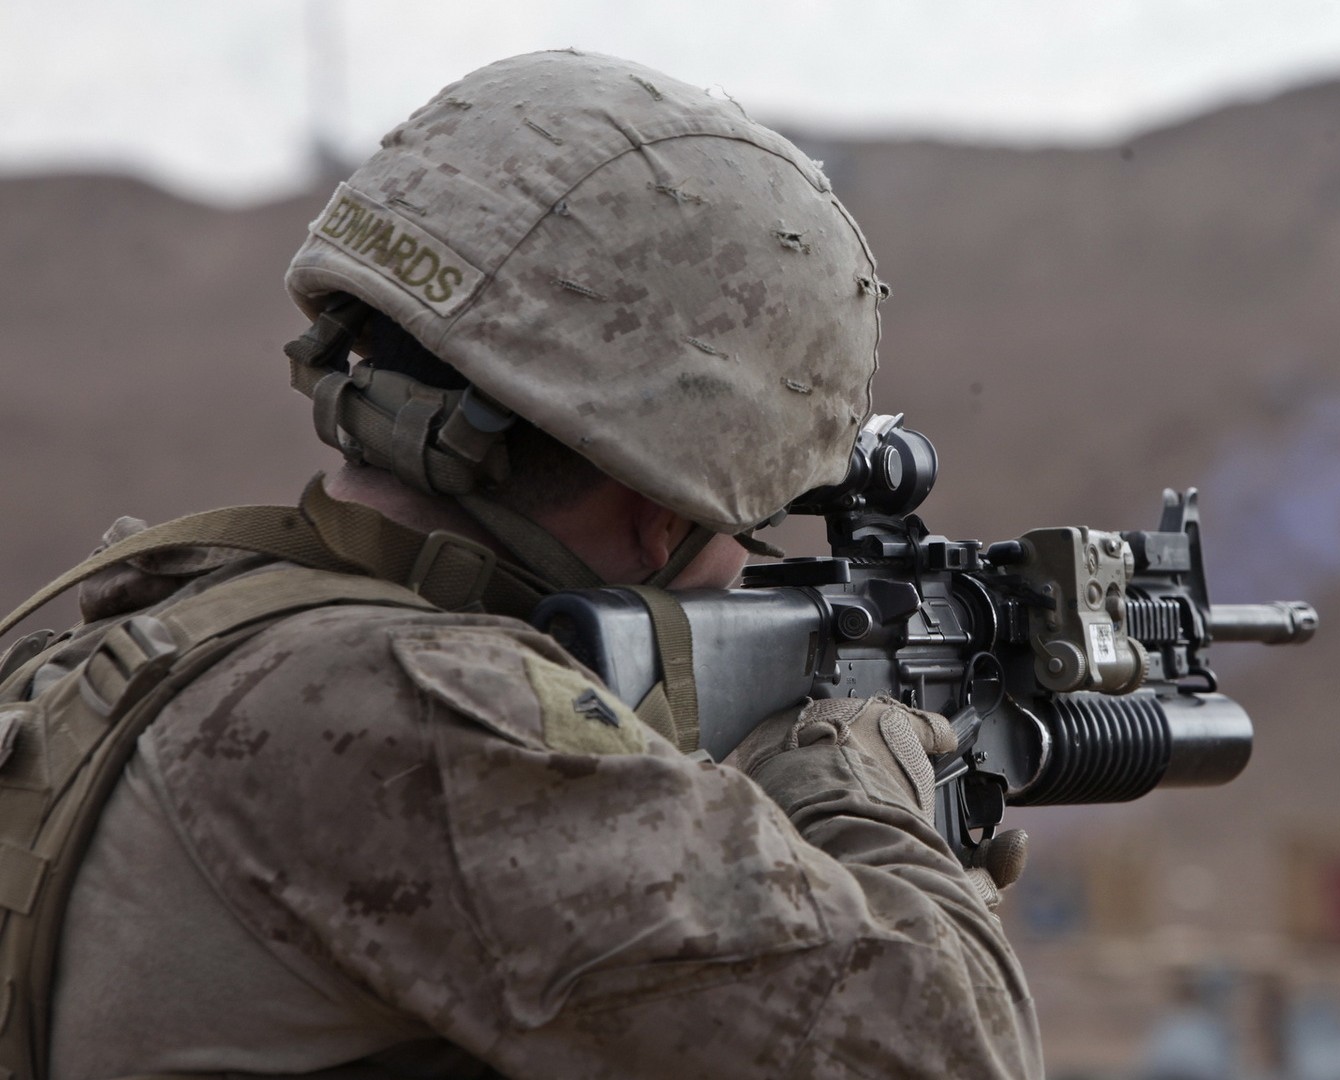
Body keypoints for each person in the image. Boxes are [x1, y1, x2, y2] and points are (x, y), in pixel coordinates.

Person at [0, 50, 1040, 1079]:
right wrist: (853, 788)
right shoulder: (417, 711)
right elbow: (954, 1054)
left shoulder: (177, 626)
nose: (746, 566)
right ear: (655, 511)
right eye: (758, 526)